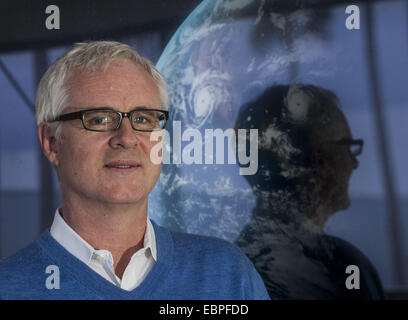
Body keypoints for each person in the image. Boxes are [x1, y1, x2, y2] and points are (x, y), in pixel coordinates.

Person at [0, 41, 270, 300]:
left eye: (143, 119)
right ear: (52, 142)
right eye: (100, 119)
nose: (127, 138)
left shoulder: (229, 277)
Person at [234, 84, 384, 299]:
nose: (354, 163)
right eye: (347, 145)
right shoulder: (340, 268)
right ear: (316, 160)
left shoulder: (234, 268)